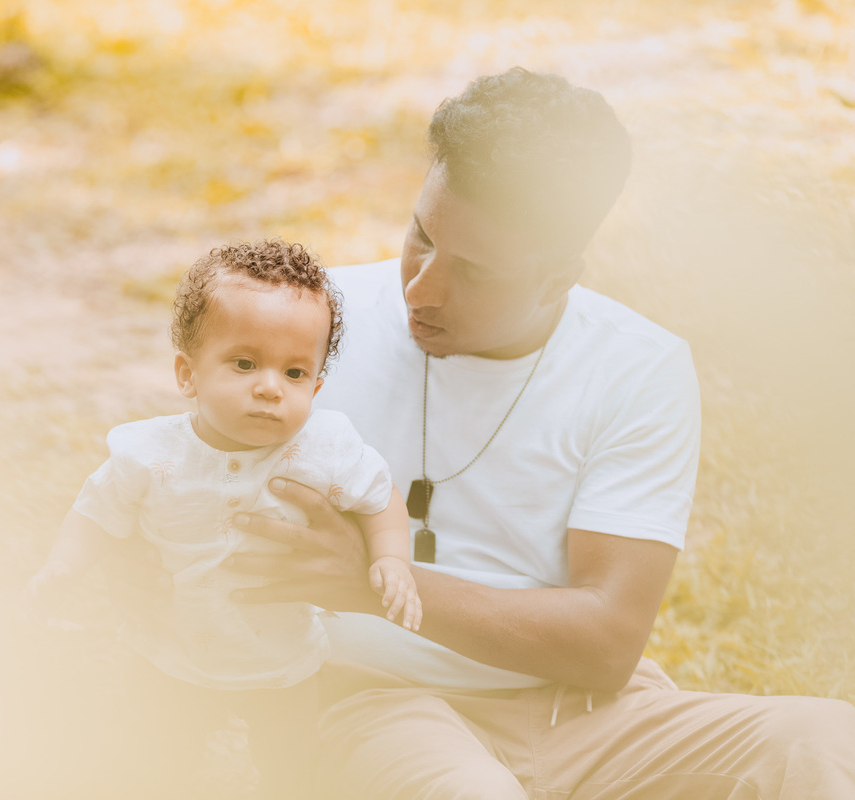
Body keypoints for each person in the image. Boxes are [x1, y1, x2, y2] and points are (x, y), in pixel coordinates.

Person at [222, 68, 855, 798]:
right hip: (385, 705)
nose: (421, 288)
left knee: (825, 743)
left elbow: (605, 644)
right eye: (421, 236)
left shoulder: (637, 367)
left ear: (560, 277)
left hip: (588, 716)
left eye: (474, 271)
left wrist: (371, 578)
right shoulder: (310, 327)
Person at [27, 238, 421, 799]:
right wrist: (64, 566)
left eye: (294, 372)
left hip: (283, 660)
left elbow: (380, 498)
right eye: (244, 364)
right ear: (187, 374)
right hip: (171, 651)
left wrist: (392, 559)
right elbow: (95, 510)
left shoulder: (325, 448)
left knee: (292, 768)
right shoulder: (150, 454)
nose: (269, 387)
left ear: (316, 386)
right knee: (154, 763)